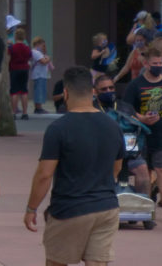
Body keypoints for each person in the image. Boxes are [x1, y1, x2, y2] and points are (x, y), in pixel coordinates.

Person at [24, 66, 125, 266]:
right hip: (106, 207)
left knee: (57, 261)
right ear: (93, 92)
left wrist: (31, 208)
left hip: (69, 208)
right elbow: (117, 168)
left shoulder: (58, 128)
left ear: (66, 93)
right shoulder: (113, 126)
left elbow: (45, 175)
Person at [122, 42, 162, 220]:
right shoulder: (135, 85)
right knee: (144, 171)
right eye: (154, 64)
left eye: (160, 63)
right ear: (146, 64)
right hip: (141, 135)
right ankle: (147, 207)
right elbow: (126, 110)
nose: (158, 66)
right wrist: (142, 118)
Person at [93, 73, 150, 195]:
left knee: (143, 170)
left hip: (128, 152)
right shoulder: (92, 109)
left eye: (111, 88)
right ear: (95, 92)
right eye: (104, 89)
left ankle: (144, 205)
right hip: (101, 155)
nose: (108, 91)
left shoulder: (126, 107)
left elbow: (137, 126)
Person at [8, 27, 32, 120]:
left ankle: (13, 112)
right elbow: (29, 57)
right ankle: (25, 113)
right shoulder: (26, 48)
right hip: (24, 69)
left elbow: (9, 58)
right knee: (24, 91)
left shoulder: (12, 48)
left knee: (14, 91)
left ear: (15, 36)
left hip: (14, 69)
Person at [30, 37, 53, 114]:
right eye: (42, 45)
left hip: (42, 74)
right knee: (38, 91)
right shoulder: (35, 52)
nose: (43, 47)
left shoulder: (40, 53)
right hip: (38, 74)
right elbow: (43, 61)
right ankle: (38, 108)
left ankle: (39, 107)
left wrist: (45, 52)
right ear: (37, 44)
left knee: (41, 91)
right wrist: (48, 59)